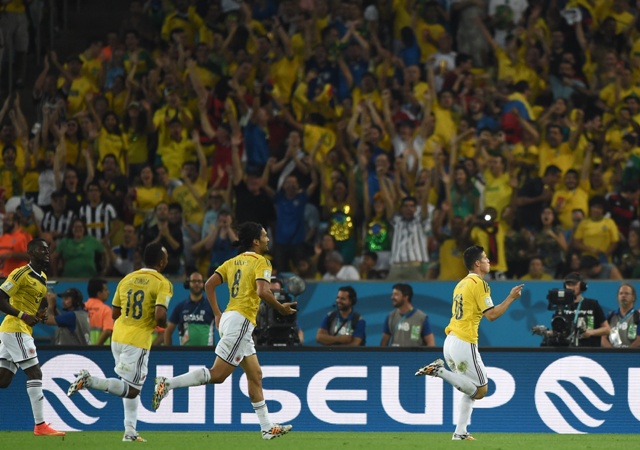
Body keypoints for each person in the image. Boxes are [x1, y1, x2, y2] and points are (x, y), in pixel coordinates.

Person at [151, 222, 295, 440]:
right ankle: (167, 383)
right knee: (217, 375)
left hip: (230, 317)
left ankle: (266, 427)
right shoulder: (262, 262)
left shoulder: (232, 261)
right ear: (256, 241)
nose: (267, 239)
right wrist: (281, 308)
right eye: (265, 235)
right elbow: (263, 291)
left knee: (255, 374)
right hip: (242, 320)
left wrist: (218, 314)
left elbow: (209, 284)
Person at [415, 245, 524, 441]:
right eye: (485, 258)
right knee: (481, 391)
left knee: (468, 388)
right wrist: (510, 298)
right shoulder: (479, 283)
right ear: (477, 263)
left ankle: (460, 432)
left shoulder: (461, 284)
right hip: (464, 343)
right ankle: (439, 371)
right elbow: (491, 315)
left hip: (450, 342)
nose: (488, 261)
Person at [67, 242, 173, 442]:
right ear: (161, 261)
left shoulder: (127, 278)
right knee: (133, 389)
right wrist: (163, 323)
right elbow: (160, 315)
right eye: (166, 257)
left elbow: (115, 312)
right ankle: (90, 381)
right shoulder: (162, 282)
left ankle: (130, 432)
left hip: (118, 337)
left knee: (131, 385)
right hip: (138, 340)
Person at [0, 238, 66, 436]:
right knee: (35, 373)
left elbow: (40, 301)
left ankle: (41, 426)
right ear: (30, 252)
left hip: (19, 330)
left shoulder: (42, 277)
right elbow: (1, 298)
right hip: (16, 328)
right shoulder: (21, 273)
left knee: (3, 381)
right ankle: (40, 426)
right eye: (42, 249)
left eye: (48, 250)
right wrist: (23, 315)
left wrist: (40, 313)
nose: (46, 252)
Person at [164, 272, 215, 346]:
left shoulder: (211, 306)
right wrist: (168, 353)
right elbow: (168, 331)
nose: (197, 284)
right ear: (188, 284)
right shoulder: (180, 307)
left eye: (199, 281)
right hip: (185, 355)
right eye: (194, 281)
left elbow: (223, 328)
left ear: (203, 284)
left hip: (207, 354)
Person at [254, 278, 304, 346]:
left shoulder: (287, 309)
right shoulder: (259, 310)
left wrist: (298, 339)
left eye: (277, 291)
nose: (275, 295)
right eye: (271, 292)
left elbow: (299, 332)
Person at [602, 283, 640, 348]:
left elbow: (639, 340)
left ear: (633, 297)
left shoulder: (638, 316)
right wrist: (612, 352)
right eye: (621, 293)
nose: (623, 296)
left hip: (633, 356)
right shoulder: (610, 316)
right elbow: (603, 339)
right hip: (612, 355)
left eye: (627, 293)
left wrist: (627, 353)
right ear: (617, 297)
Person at [84, 278, 114, 345]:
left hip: (83, 350)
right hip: (101, 352)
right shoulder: (106, 310)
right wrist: (96, 348)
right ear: (99, 293)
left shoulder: (82, 307)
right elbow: (108, 331)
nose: (108, 292)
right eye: (105, 290)